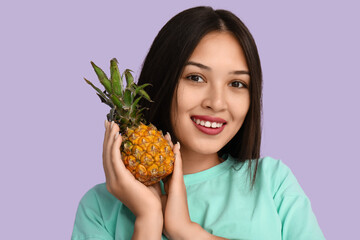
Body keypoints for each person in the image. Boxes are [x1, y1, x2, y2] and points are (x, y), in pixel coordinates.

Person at [72, 6, 325, 240]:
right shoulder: (100, 207)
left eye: (237, 84)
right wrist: (148, 218)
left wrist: (185, 230)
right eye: (196, 77)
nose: (216, 102)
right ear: (163, 80)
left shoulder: (272, 183)